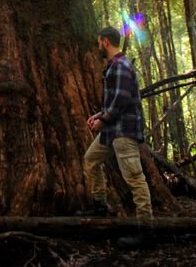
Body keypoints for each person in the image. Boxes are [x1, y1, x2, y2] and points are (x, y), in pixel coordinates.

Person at [76, 26, 153, 247]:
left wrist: (104, 119)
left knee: (135, 178)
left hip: (123, 131)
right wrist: (98, 115)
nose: (98, 46)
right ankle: (100, 205)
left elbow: (121, 99)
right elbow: (114, 101)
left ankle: (146, 231)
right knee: (91, 160)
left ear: (106, 42)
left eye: (99, 42)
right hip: (111, 131)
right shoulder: (114, 66)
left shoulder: (120, 66)